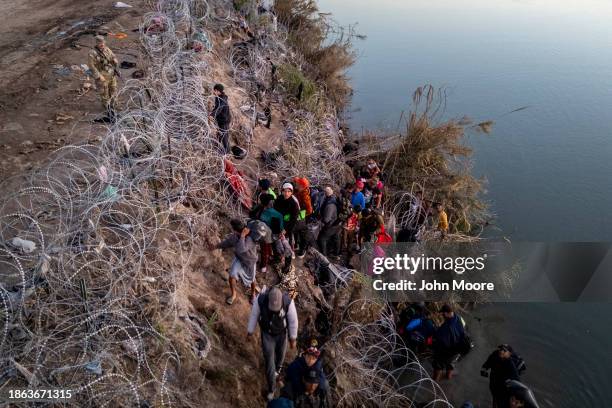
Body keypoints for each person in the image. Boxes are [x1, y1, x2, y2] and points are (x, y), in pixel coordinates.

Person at [248, 287, 298, 401]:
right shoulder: (260, 300)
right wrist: (250, 331)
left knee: (281, 355)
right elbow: (254, 315)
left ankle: (278, 371)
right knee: (269, 361)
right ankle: (271, 388)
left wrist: (292, 338)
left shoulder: (288, 302)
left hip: (282, 334)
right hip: (267, 335)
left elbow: (293, 321)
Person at [212, 219, 259, 305]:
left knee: (252, 279)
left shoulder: (250, 238)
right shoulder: (234, 237)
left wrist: (242, 236)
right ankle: (233, 294)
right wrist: (215, 246)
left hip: (250, 262)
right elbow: (226, 243)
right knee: (232, 275)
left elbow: (242, 249)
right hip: (239, 259)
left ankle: (253, 294)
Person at [432, 304, 465, 381]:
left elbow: (440, 341)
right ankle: (448, 377)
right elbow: (464, 329)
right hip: (457, 349)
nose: (442, 315)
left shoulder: (446, 328)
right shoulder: (459, 318)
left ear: (446, 313)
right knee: (451, 364)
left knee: (438, 365)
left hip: (446, 351)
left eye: (443, 313)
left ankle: (434, 382)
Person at [88, 35, 119, 120]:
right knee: (104, 93)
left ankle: (114, 106)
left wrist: (115, 60)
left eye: (102, 42)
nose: (101, 44)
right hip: (102, 75)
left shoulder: (107, 49)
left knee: (113, 89)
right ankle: (107, 108)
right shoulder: (92, 53)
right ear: (97, 43)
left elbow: (113, 56)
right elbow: (91, 66)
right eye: (99, 43)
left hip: (111, 73)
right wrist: (99, 76)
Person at [274, 183, 301, 252]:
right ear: (282, 191)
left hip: (288, 225)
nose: (286, 193)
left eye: (289, 191)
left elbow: (293, 219)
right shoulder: (279, 198)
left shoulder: (294, 204)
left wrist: (286, 229)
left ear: (292, 192)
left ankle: (290, 254)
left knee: (288, 241)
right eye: (285, 191)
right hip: (279, 223)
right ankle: (280, 255)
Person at [292, 177, 313, 258]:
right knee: (297, 232)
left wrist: (301, 214)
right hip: (299, 217)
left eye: (298, 183)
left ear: (301, 186)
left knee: (303, 235)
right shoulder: (300, 191)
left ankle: (302, 251)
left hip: (302, 218)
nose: (296, 184)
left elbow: (309, 210)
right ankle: (297, 246)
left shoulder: (305, 196)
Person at [317, 187, 339, 257]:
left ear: (326, 194)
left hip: (331, 224)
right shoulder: (335, 199)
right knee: (336, 238)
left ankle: (324, 255)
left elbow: (327, 219)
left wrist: (321, 221)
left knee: (322, 238)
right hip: (338, 223)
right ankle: (336, 254)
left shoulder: (329, 205)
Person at [210, 83, 232, 154]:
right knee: (219, 135)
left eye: (214, 90)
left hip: (224, 121)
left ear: (217, 91)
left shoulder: (222, 99)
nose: (213, 92)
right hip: (221, 120)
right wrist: (211, 114)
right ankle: (218, 150)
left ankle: (227, 154)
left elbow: (219, 108)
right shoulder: (219, 97)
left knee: (224, 138)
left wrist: (212, 116)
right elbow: (216, 108)